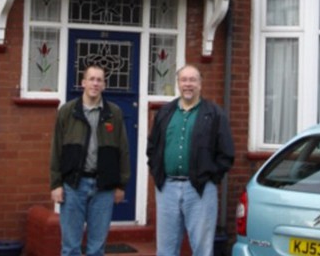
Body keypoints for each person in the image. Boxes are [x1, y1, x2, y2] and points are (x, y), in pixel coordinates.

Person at [147, 64, 235, 256]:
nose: (188, 84)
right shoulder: (165, 112)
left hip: (200, 189)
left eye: (193, 80)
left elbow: (226, 152)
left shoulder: (214, 114)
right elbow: (152, 146)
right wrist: (157, 172)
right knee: (165, 249)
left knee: (202, 249)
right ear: (178, 83)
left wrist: (211, 177)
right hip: (167, 189)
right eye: (184, 80)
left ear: (200, 84)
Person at [50, 65, 131, 256]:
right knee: (70, 247)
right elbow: (56, 149)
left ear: (104, 85)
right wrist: (56, 184)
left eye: (99, 80)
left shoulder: (114, 113)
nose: (95, 83)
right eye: (92, 79)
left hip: (104, 187)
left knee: (97, 248)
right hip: (73, 185)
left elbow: (123, 150)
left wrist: (121, 184)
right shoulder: (67, 111)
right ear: (83, 83)